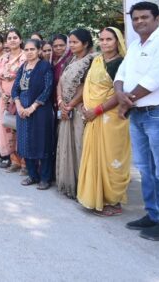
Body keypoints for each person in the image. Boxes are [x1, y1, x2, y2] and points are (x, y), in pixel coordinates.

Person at [115, 1, 159, 241]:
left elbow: (154, 79)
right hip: (138, 113)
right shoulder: (135, 45)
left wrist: (124, 102)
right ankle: (154, 214)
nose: (139, 21)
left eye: (144, 17)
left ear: (157, 19)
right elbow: (121, 74)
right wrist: (120, 93)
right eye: (135, 18)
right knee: (145, 169)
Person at [77, 27, 130, 216]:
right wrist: (84, 107)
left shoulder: (121, 63)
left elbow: (119, 94)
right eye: (102, 39)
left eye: (109, 39)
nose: (105, 43)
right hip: (92, 117)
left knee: (110, 158)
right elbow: (88, 86)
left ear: (118, 41)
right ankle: (95, 196)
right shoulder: (97, 60)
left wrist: (97, 110)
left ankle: (113, 201)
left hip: (111, 118)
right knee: (94, 156)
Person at [56, 28, 96, 199]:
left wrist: (70, 105)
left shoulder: (92, 60)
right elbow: (60, 82)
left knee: (80, 145)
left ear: (85, 44)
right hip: (66, 108)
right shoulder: (71, 59)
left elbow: (85, 86)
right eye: (70, 42)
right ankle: (69, 184)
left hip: (79, 109)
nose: (71, 45)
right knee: (68, 145)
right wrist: (61, 102)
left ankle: (83, 188)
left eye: (75, 42)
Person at [12, 39, 55, 189]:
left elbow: (48, 89)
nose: (29, 52)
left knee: (42, 143)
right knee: (25, 142)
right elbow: (15, 89)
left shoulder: (45, 66)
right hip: (22, 111)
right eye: (27, 50)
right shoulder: (23, 67)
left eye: (32, 49)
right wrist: (19, 106)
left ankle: (45, 178)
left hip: (40, 110)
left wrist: (33, 107)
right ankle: (32, 175)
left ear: (39, 51)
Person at [0, 29, 27, 172]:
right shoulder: (2, 60)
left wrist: (16, 95)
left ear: (20, 40)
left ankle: (25, 163)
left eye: (15, 37)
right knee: (7, 128)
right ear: (6, 42)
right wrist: (2, 93)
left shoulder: (26, 57)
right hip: (5, 99)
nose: (12, 40)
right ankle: (14, 160)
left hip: (21, 98)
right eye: (9, 38)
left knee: (21, 129)